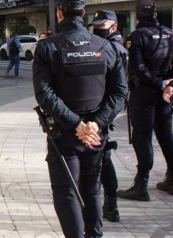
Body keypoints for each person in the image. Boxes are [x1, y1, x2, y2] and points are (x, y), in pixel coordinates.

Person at [33, 0, 128, 236]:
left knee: (67, 191)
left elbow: (45, 95)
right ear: (84, 13)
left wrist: (78, 124)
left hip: (67, 133)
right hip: (96, 133)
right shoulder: (106, 46)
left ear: (59, 12)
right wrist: (96, 123)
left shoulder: (48, 47)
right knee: (92, 190)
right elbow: (120, 93)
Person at [117, 0, 173, 202]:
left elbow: (137, 68)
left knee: (143, 137)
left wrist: (159, 83)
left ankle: (141, 185)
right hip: (165, 94)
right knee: (166, 135)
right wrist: (170, 85)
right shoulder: (171, 34)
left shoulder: (137, 36)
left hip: (145, 92)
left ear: (137, 17)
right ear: (156, 15)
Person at [88, 9, 129, 223]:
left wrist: (101, 118)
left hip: (104, 111)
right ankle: (109, 204)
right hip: (102, 110)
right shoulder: (107, 45)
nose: (96, 30)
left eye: (100, 26)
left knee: (103, 159)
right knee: (102, 158)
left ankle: (110, 204)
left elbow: (118, 88)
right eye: (94, 26)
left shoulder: (115, 49)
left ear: (113, 26)